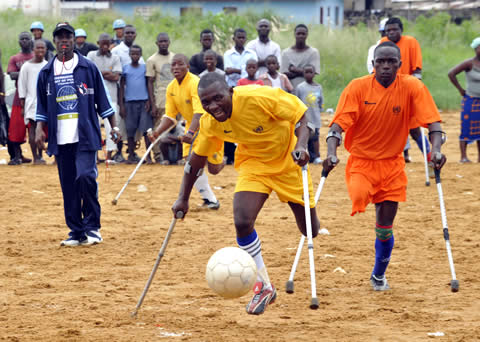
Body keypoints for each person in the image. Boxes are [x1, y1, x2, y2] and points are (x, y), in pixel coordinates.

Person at [170, 72, 319, 315]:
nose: (213, 106)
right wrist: (183, 198)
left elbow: (302, 115)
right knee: (242, 221)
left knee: (309, 229)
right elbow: (196, 161)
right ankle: (263, 286)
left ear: (230, 91)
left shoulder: (258, 97)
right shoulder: (209, 122)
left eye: (218, 98)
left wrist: (301, 145)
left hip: (289, 161)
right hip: (254, 164)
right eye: (206, 102)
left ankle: (307, 222)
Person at [323, 41, 446, 291]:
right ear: (373, 65)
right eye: (381, 62)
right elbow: (338, 125)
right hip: (361, 162)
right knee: (358, 194)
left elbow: (433, 123)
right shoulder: (357, 88)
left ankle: (378, 274)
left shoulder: (412, 87)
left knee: (385, 225)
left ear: (400, 65)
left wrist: (437, 150)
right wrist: (330, 152)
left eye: (392, 62)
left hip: (392, 165)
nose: (386, 67)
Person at [35, 22, 120, 246]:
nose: (64, 40)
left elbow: (104, 101)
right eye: (60, 37)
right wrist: (38, 130)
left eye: (68, 36)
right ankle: (76, 231)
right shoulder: (46, 72)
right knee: (68, 185)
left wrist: (114, 127)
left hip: (85, 135)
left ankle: (93, 228)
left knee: (85, 177)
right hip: (60, 138)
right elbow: (42, 106)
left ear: (74, 40)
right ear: (54, 42)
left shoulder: (88, 68)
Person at [149, 54, 223, 209]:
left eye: (179, 64)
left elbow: (199, 112)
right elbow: (170, 116)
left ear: (187, 66)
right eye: (173, 65)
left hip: (209, 126)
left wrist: (189, 133)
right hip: (192, 127)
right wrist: (157, 132)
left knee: (214, 169)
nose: (176, 68)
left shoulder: (195, 83)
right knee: (192, 164)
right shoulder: (171, 88)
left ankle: (222, 161)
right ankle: (210, 200)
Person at [380, 17, 431, 164]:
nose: (391, 32)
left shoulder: (411, 42)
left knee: (415, 129)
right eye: (388, 30)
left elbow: (417, 68)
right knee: (388, 128)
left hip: (407, 89)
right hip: (388, 91)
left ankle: (430, 158)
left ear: (401, 30)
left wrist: (416, 87)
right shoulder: (383, 43)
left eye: (395, 29)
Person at [87, 33, 123, 162]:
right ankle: (95, 156)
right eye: (103, 43)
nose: (105, 46)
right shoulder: (91, 55)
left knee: (111, 127)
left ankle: (108, 156)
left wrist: (98, 74)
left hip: (111, 98)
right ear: (98, 43)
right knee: (93, 126)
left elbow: (116, 77)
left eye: (108, 43)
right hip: (93, 98)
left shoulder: (115, 57)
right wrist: (107, 73)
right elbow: (89, 74)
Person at [112, 24, 145, 162]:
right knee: (119, 124)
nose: (130, 35)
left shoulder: (139, 53)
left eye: (132, 33)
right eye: (127, 33)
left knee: (132, 127)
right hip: (119, 94)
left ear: (135, 35)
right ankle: (118, 152)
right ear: (122, 34)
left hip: (134, 97)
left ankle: (131, 153)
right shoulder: (117, 51)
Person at [448, 37, 480, 163]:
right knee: (466, 127)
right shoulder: (469, 63)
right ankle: (463, 156)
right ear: (475, 49)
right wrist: (460, 90)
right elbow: (451, 73)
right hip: (470, 100)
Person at [119, 45, 153, 164]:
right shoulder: (125, 69)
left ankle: (148, 156)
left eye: (137, 54)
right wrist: (122, 104)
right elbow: (122, 88)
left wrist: (149, 100)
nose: (135, 56)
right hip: (129, 103)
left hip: (143, 103)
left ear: (140, 55)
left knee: (146, 130)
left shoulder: (144, 68)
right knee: (130, 130)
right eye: (132, 54)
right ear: (129, 55)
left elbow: (148, 84)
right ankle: (131, 155)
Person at [18, 39, 48, 164]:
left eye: (42, 48)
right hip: (31, 102)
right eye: (38, 48)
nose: (40, 50)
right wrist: (22, 105)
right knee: (33, 128)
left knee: (42, 129)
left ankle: (41, 155)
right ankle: (35, 157)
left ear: (46, 50)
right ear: (33, 49)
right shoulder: (26, 66)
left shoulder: (47, 65)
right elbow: (22, 86)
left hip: (44, 102)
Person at [146, 32, 175, 163]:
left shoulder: (175, 58)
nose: (163, 44)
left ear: (169, 42)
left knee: (176, 128)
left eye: (165, 41)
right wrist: (152, 104)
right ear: (157, 44)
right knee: (158, 127)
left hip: (175, 100)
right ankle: (158, 156)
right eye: (161, 42)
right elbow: (150, 83)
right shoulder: (152, 60)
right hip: (160, 99)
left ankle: (174, 156)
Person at [7, 31, 34, 165]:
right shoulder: (15, 58)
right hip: (19, 98)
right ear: (19, 42)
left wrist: (21, 73)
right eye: (22, 39)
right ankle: (18, 156)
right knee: (16, 129)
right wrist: (28, 72)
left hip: (35, 98)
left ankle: (38, 155)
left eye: (27, 39)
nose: (24, 41)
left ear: (31, 41)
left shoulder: (36, 55)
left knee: (35, 127)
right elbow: (12, 75)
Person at [295, 64, 323, 164]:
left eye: (310, 72)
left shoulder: (318, 87)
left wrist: (319, 111)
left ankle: (316, 157)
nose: (308, 74)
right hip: (305, 119)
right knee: (304, 137)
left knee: (315, 138)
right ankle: (304, 156)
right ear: (303, 74)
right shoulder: (300, 87)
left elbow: (320, 102)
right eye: (306, 72)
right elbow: (297, 101)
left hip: (315, 118)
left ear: (314, 73)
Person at [280, 24, 320, 89]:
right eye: (298, 34)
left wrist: (294, 69)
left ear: (307, 35)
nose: (301, 36)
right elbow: (284, 74)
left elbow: (313, 72)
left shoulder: (313, 52)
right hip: (290, 89)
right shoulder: (285, 53)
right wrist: (305, 71)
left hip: (307, 90)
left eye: (303, 34)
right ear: (294, 35)